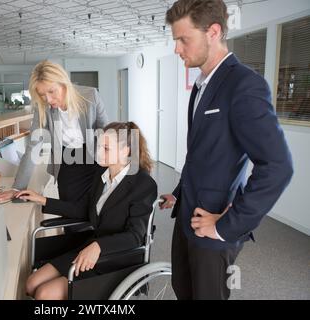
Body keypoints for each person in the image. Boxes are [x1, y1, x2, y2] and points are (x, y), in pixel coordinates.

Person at [159, 0, 293, 300]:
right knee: (184, 291)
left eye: (183, 39)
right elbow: (202, 155)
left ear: (214, 32)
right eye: (175, 40)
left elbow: (278, 166)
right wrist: (179, 193)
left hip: (213, 229)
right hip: (187, 218)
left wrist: (226, 227)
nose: (177, 49)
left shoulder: (244, 84)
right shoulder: (201, 85)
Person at [17, 122, 157, 300]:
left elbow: (136, 235)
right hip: (90, 249)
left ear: (126, 151)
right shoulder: (102, 175)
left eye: (106, 148)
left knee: (44, 294)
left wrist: (99, 247)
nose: (99, 153)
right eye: (99, 146)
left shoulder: (142, 184)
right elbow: (85, 209)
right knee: (31, 283)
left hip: (116, 258)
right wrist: (43, 200)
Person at [0, 60, 108, 204]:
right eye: (42, 94)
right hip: (66, 164)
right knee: (69, 211)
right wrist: (16, 189)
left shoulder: (90, 96)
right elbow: (33, 146)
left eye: (51, 91)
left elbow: (106, 134)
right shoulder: (43, 108)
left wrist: (118, 169)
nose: (48, 99)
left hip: (95, 160)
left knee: (97, 210)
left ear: (63, 83)